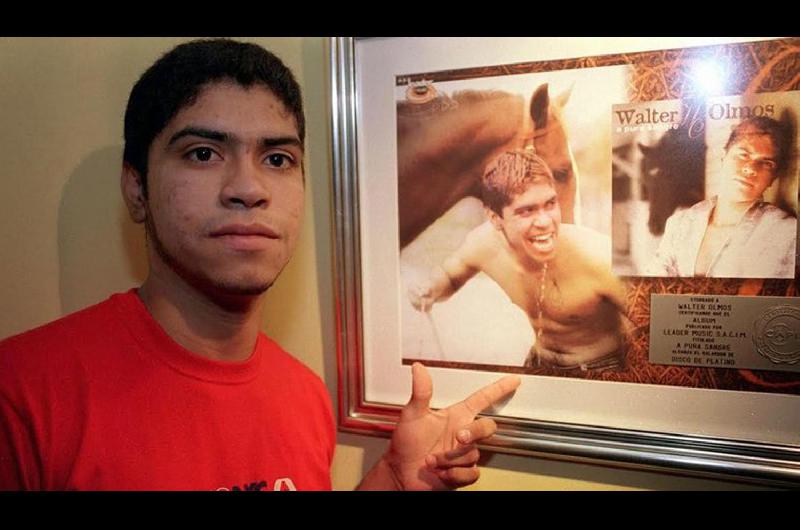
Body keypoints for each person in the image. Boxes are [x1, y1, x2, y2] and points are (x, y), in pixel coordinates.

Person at [0, 39, 520, 491]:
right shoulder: (23, 393)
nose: (248, 189)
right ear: (136, 188)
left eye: (277, 159)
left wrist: (397, 478)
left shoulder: (302, 395)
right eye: (203, 153)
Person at [408, 150, 628, 372]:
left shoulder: (596, 255)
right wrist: (430, 290)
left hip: (601, 367)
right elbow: (449, 277)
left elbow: (647, 328)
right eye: (527, 211)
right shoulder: (483, 244)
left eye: (550, 204)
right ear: (495, 218)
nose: (544, 222)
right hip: (538, 361)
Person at [648, 116, 797, 278]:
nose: (751, 168)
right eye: (743, 155)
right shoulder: (680, 224)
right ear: (723, 158)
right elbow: (656, 284)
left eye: (767, 163)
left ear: (773, 179)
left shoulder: (785, 233)